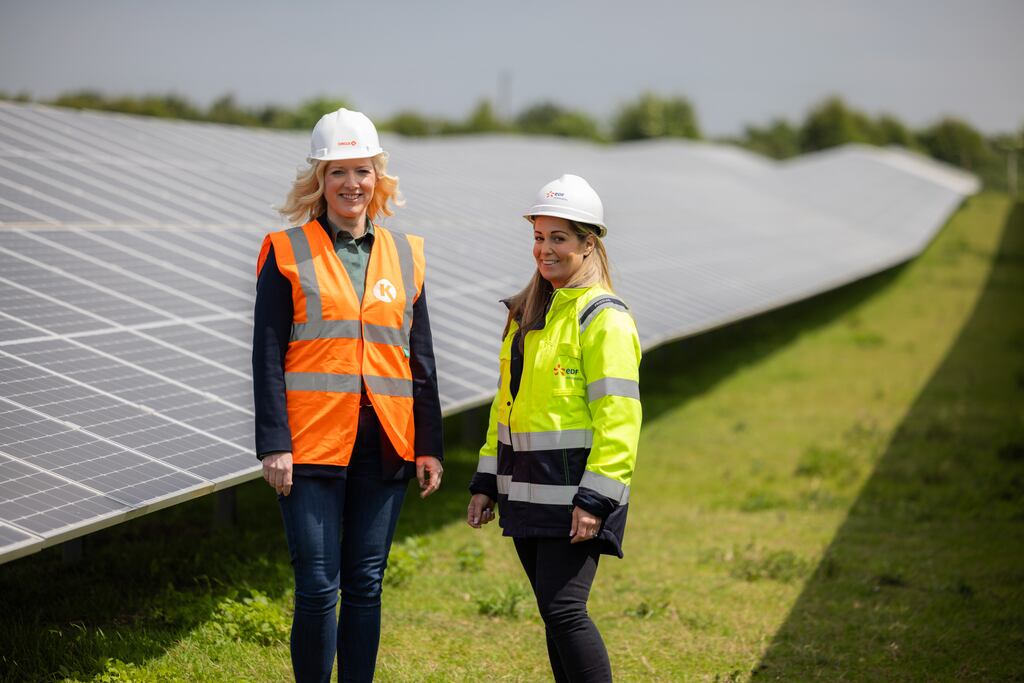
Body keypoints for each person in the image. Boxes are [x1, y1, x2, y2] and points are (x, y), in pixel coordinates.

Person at [253, 108, 444, 683]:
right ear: (318, 180)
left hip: (385, 441)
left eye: (362, 170)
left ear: (377, 178)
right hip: (309, 444)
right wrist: (273, 444)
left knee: (366, 583)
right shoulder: (285, 249)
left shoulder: (407, 253)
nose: (351, 184)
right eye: (337, 172)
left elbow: (421, 359)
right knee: (317, 586)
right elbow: (265, 354)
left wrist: (428, 445)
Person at [467, 174, 642, 682]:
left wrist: (596, 499)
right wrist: (484, 482)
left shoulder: (604, 319)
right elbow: (506, 407)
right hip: (526, 491)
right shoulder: (527, 315)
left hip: (575, 498)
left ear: (590, 244)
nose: (544, 249)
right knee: (553, 614)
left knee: (566, 611)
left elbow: (620, 418)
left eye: (558, 238)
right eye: (539, 237)